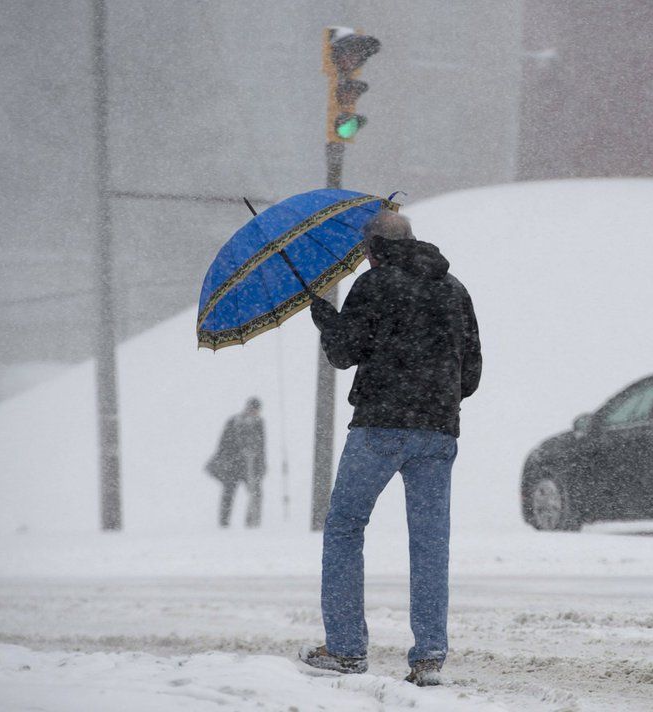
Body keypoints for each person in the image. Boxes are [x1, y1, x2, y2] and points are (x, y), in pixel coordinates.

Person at [298, 210, 482, 687]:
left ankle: (345, 648)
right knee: (429, 544)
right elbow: (473, 371)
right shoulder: (453, 289)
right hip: (439, 432)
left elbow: (343, 353)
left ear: (373, 247)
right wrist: (435, 397)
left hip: (380, 426)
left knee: (344, 528)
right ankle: (428, 657)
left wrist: (326, 319)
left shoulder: (374, 285)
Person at [206, 397, 266, 528]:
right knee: (229, 494)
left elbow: (261, 447)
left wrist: (261, 466)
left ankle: (252, 523)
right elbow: (223, 444)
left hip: (250, 467)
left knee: (256, 494)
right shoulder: (234, 421)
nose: (254, 412)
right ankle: (224, 523)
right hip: (232, 466)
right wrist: (229, 459)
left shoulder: (259, 423)